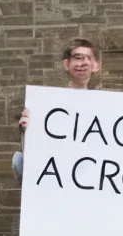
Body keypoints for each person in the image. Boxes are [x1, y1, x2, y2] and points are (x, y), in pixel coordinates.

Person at [13, 38, 101, 178]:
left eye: (87, 58)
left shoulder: (104, 107)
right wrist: (25, 130)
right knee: (18, 159)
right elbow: (31, 161)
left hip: (88, 177)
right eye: (77, 58)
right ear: (66, 64)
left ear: (96, 65)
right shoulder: (45, 104)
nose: (82, 63)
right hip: (58, 178)